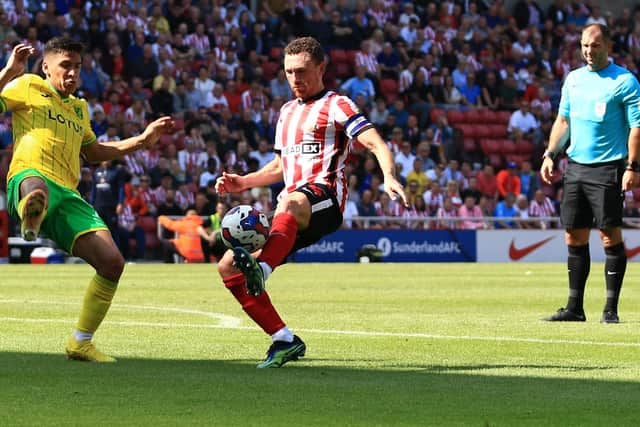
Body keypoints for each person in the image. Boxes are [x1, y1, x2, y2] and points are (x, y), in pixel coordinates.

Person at [215, 37, 407, 368]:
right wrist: (243, 181)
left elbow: (375, 143)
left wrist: (389, 176)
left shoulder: (337, 104)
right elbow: (279, 167)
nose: (295, 79)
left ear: (321, 68)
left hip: (326, 199)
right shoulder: (287, 112)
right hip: (292, 210)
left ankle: (262, 270)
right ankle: (284, 339)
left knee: (287, 202)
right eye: (289, 72)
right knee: (228, 266)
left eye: (301, 71)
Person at [0, 38, 173, 362]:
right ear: (46, 66)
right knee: (38, 186)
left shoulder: (79, 108)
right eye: (66, 65)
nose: (73, 73)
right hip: (29, 175)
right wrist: (9, 71)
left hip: (70, 194)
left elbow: (93, 152)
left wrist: (142, 140)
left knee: (112, 263)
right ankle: (31, 210)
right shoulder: (28, 86)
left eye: (78, 67)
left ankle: (80, 341)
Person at [540, 24, 640, 324]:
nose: (588, 51)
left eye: (595, 45)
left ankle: (610, 310)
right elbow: (563, 120)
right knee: (574, 235)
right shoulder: (573, 79)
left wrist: (632, 166)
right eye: (584, 45)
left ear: (608, 46)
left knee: (609, 235)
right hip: (575, 168)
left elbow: (637, 127)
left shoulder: (625, 80)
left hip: (609, 167)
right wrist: (549, 153)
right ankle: (575, 308)